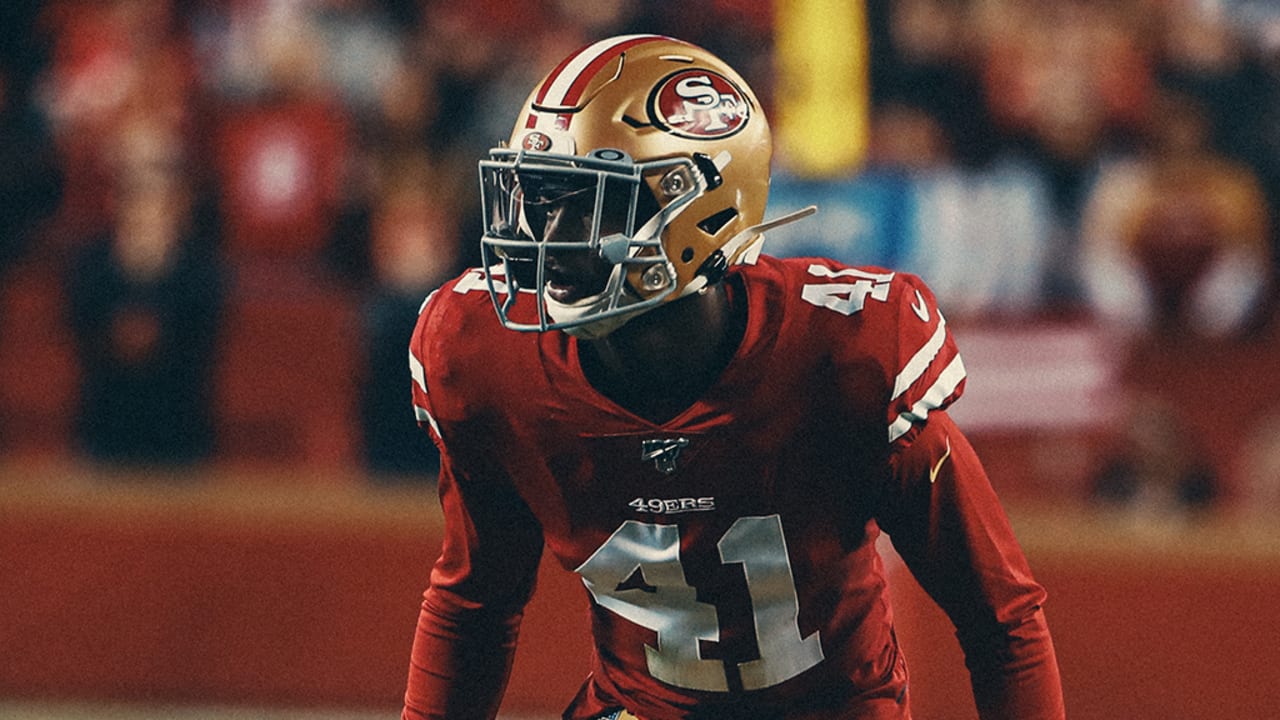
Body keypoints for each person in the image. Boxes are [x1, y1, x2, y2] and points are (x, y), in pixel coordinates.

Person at [402, 34, 1064, 720]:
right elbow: (474, 606)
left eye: (588, 202)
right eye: (540, 197)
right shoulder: (486, 358)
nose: (545, 236)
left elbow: (1002, 621)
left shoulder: (841, 355)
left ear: (702, 213)